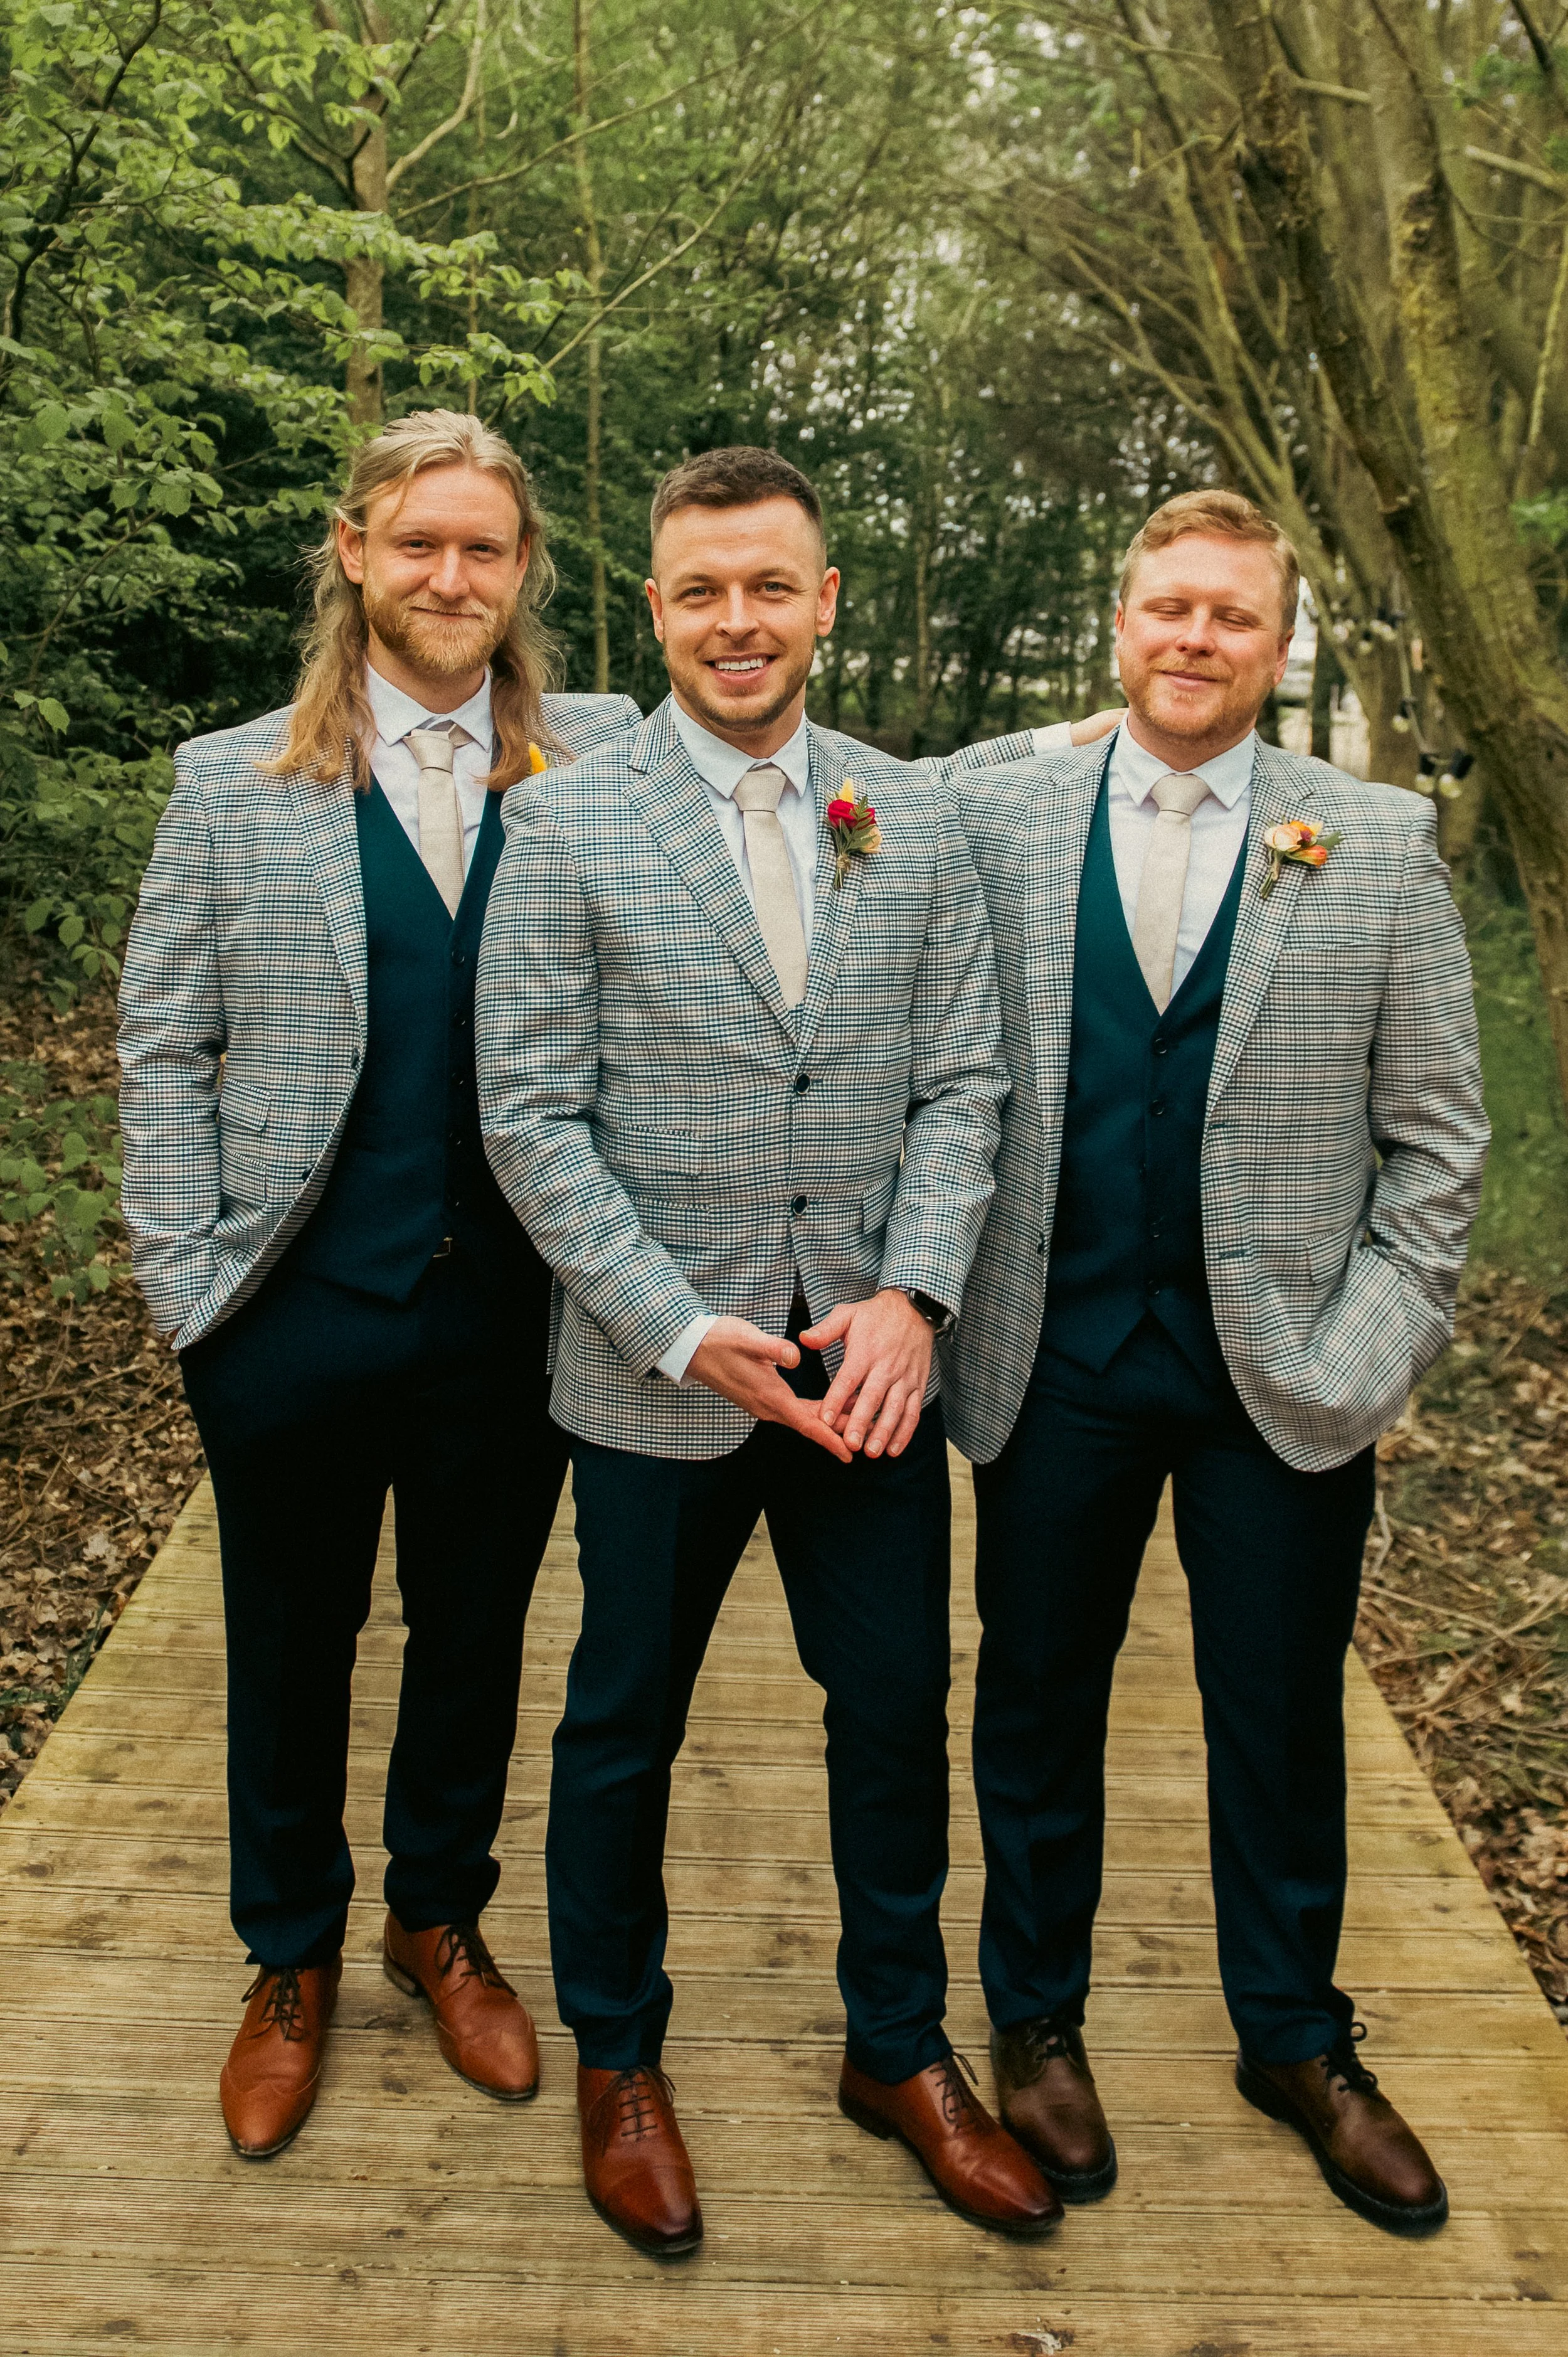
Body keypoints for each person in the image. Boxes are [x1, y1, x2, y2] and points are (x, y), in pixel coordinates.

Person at [476, 445, 1113, 2257]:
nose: (736, 622)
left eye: (770, 587)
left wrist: (914, 1292)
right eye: (700, 591)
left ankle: (896, 2047)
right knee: (621, 1725)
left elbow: (964, 1078)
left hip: (865, 1375)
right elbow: (529, 1116)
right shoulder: (566, 823)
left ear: (823, 601)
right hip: (655, 1368)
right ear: (654, 610)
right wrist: (673, 1325)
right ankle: (620, 2055)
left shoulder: (911, 812)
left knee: (894, 1712)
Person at [943, 489, 1488, 2237]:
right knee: (1034, 1700)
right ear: (1122, 623)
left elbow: (1436, 1146)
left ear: (1273, 643)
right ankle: (1034, 2020)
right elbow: (797, 778)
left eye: (1229, 619)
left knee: (1277, 1713)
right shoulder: (995, 808)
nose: (1193, 639)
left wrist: (1367, 1354)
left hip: (1283, 1371)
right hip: (1055, 1350)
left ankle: (1295, 2035)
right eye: (1166, 608)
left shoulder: (1376, 840)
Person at [117, 410, 638, 2161]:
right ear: (354, 551)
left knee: (477, 1633)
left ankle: (438, 1913)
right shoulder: (233, 782)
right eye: (419, 542)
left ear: (523, 571)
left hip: (515, 1314)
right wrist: (198, 1292)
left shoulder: (604, 765)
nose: (450, 576)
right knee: (289, 1640)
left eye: (484, 547)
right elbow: (159, 1044)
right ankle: (290, 1952)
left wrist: (1131, 738)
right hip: (291, 1310)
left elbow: (802, 757)